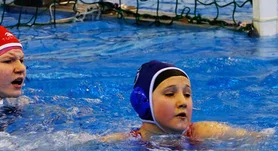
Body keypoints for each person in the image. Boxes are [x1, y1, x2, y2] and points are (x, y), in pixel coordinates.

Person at [101, 60, 268, 142]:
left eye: (187, 94)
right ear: (143, 102)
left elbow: (259, 139)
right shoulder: (126, 141)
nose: (183, 102)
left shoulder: (202, 132)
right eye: (170, 94)